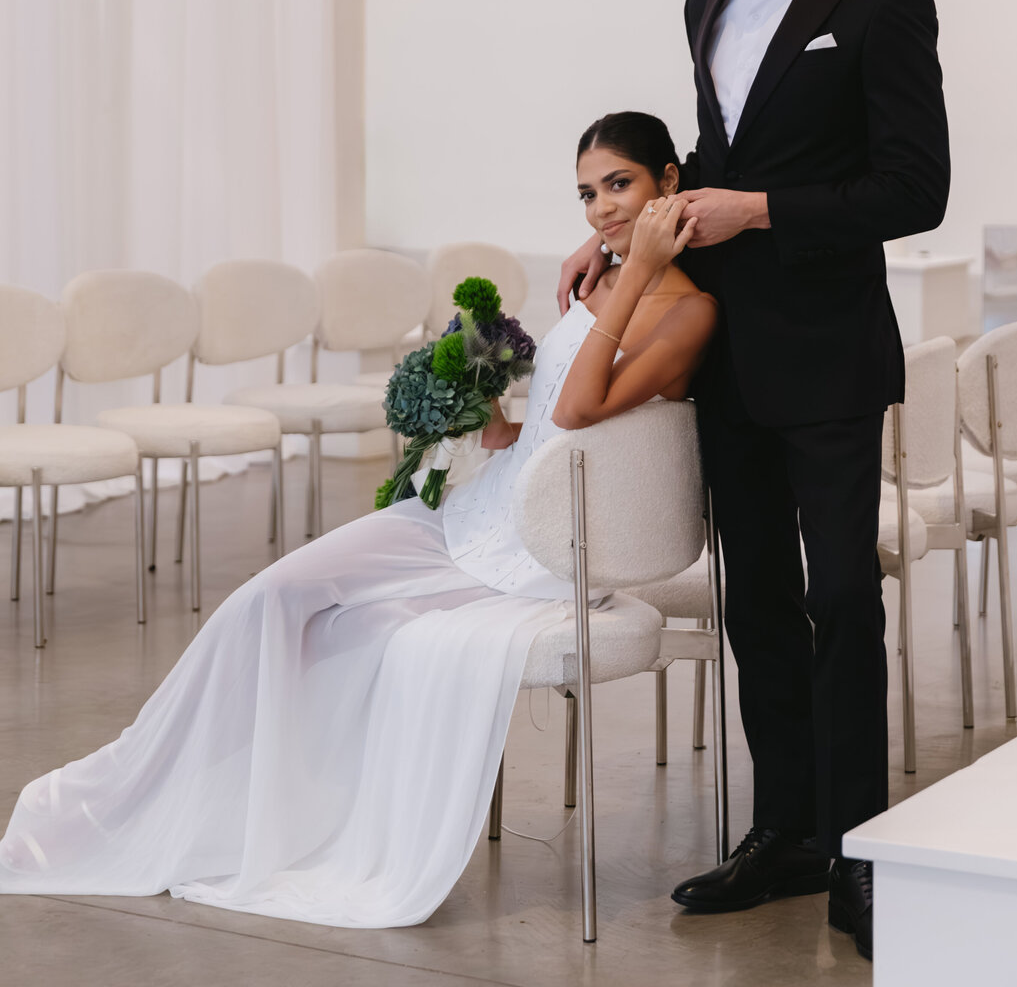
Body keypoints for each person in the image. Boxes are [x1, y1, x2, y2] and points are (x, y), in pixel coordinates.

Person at [0, 113, 715, 929]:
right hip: (476, 511)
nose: (599, 210)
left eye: (619, 185)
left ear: (668, 179)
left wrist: (633, 274)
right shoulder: (595, 283)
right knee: (266, 603)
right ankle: (134, 797)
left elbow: (586, 410)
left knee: (345, 641)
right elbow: (541, 426)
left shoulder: (685, 314)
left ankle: (257, 822)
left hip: (540, 546)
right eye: (587, 194)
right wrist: (479, 402)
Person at [558, 0, 950, 963]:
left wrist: (764, 210)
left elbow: (914, 191)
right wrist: (622, 229)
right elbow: (705, 164)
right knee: (760, 606)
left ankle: (859, 848)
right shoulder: (704, 2)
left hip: (829, 351)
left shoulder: (883, 1)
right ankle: (781, 831)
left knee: (841, 596)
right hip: (726, 352)